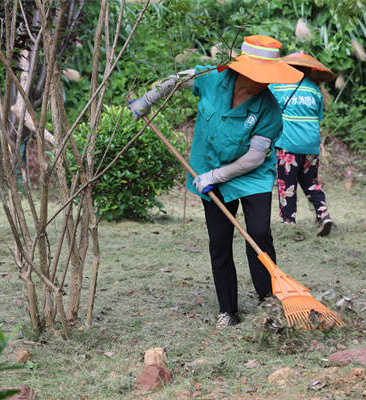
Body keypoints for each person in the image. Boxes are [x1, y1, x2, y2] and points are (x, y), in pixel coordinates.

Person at [129, 35, 303, 328]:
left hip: (251, 177)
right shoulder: (213, 78)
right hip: (208, 169)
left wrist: (215, 177)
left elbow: (254, 158)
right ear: (244, 68)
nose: (265, 82)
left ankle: (268, 303)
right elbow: (175, 79)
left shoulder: (269, 109)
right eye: (260, 74)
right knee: (219, 241)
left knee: (259, 233)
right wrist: (146, 101)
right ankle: (228, 310)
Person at [269, 51, 334, 236]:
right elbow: (318, 117)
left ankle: (289, 223)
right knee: (311, 183)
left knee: (286, 184)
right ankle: (323, 215)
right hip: (311, 145)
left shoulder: (278, 86)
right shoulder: (314, 89)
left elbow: (268, 109)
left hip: (288, 145)